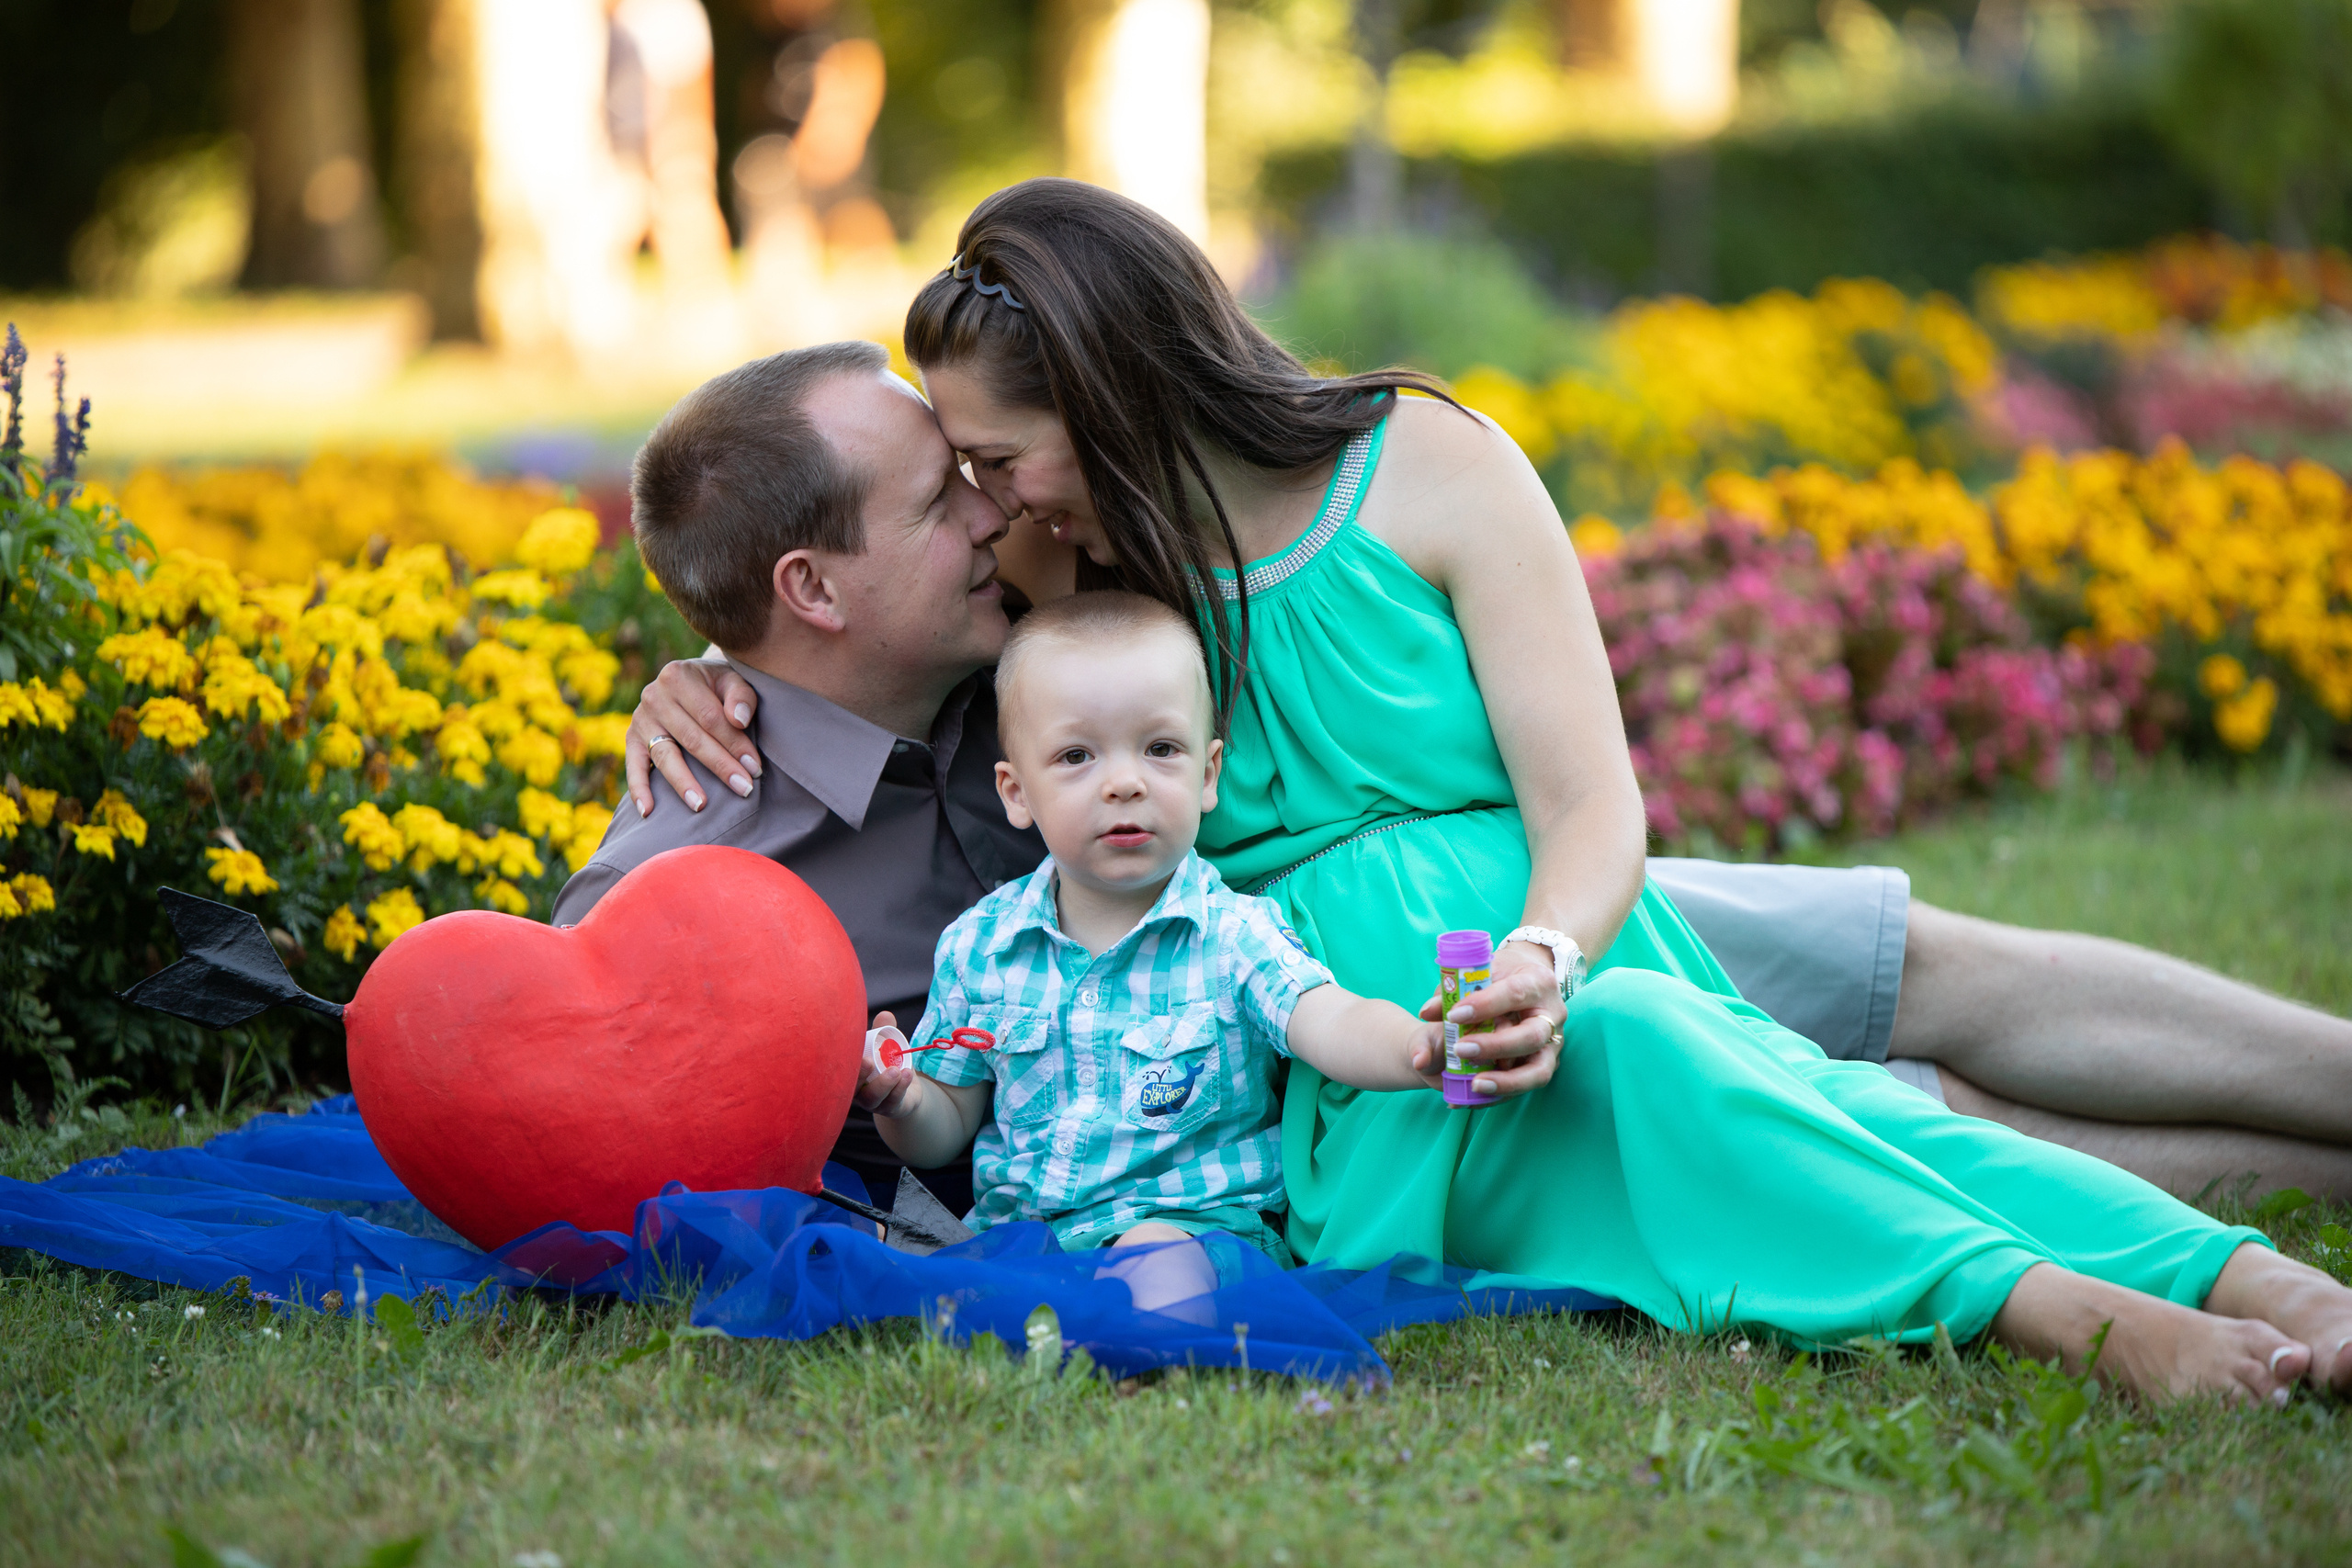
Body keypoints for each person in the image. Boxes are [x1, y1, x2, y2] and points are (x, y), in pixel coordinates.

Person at [596, 178, 2352, 1403]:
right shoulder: (1064, 598)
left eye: (991, 462)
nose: (982, 506)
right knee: (1818, 1089)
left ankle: (2252, 1277)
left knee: (1874, 999)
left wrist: (1547, 950)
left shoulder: (1393, 473)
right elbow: (812, 680)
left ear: (1112, 395)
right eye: (957, 482)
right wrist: (703, 682)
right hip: (1354, 1050)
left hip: (1554, 927)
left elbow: (1594, 804)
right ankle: (2144, 1307)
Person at [857, 592, 1447, 1309]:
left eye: (1161, 748)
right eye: (1076, 756)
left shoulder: (1234, 934)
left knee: (1153, 1262)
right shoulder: (981, 946)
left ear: (1207, 775)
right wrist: (902, 1099)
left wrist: (1420, 1044)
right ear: (1017, 791)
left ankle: (1150, 1363)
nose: (1125, 781)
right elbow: (945, 1123)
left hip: (1194, 1230)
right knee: (935, 1285)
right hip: (1027, 1238)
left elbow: (1331, 1021)